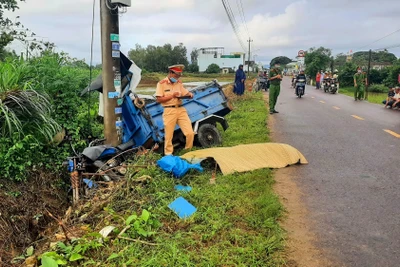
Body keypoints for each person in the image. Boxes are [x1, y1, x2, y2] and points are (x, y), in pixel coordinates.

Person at [155, 64, 194, 155]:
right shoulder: (161, 84)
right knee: (169, 136)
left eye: (179, 75)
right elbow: (159, 99)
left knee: (190, 133)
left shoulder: (179, 83)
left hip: (180, 110)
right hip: (169, 111)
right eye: (176, 75)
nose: (177, 77)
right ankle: (168, 154)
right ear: (171, 73)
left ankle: (188, 151)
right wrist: (172, 95)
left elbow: (186, 93)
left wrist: (189, 95)